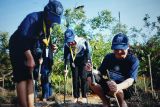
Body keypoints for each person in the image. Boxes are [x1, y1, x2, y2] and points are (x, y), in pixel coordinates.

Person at [9, 0, 63, 107]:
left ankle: (31, 105)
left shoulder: (49, 25)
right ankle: (23, 105)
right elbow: (22, 38)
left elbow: (43, 39)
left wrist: (51, 45)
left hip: (31, 47)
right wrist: (29, 57)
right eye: (52, 18)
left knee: (31, 77)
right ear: (46, 12)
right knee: (22, 77)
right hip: (18, 45)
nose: (52, 22)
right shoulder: (32, 18)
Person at [86, 33, 139, 107]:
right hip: (110, 84)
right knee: (90, 78)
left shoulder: (133, 60)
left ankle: (122, 103)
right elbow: (100, 72)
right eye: (116, 49)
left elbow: (131, 80)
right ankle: (106, 102)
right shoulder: (109, 57)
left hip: (125, 88)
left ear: (128, 47)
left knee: (118, 91)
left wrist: (118, 86)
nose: (119, 52)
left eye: (121, 49)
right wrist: (92, 70)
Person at [63, 28, 92, 103]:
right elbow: (66, 56)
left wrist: (88, 62)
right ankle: (76, 96)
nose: (70, 43)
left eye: (71, 40)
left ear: (74, 36)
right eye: (68, 41)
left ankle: (84, 96)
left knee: (83, 77)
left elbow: (88, 52)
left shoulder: (82, 41)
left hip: (83, 60)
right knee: (75, 78)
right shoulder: (66, 44)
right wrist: (65, 68)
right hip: (74, 61)